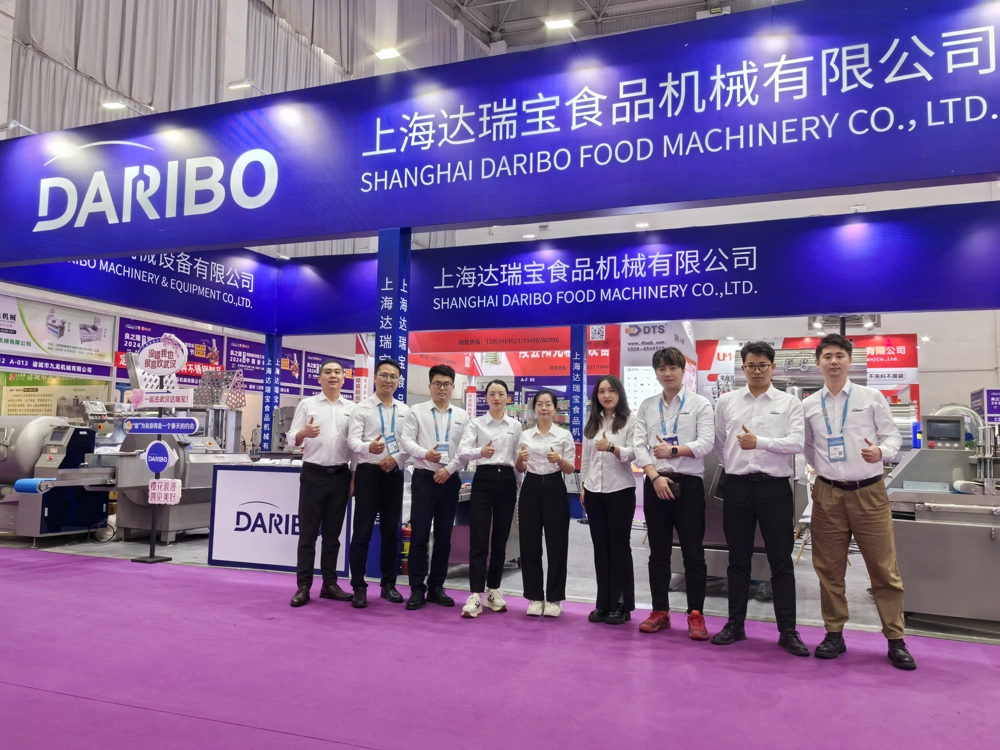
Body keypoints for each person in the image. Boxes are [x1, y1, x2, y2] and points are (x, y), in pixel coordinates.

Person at [802, 333, 915, 670]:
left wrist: (881, 452)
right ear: (818, 363)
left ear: (850, 361)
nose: (834, 361)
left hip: (869, 492)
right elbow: (807, 446)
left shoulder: (871, 397)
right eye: (827, 356)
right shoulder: (809, 404)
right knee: (828, 568)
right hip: (827, 493)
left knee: (883, 568)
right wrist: (823, 472)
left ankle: (895, 638)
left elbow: (893, 436)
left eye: (840, 355)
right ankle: (834, 633)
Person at [711, 341, 809, 656]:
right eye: (751, 366)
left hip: (775, 489)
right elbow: (720, 442)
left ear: (772, 367)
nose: (757, 371)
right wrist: (736, 464)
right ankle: (735, 625)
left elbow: (797, 443)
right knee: (737, 558)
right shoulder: (726, 402)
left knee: (781, 560)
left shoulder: (789, 403)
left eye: (763, 365)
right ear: (743, 368)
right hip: (737, 486)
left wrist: (760, 443)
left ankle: (788, 631)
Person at [633, 347, 714, 640]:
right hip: (656, 483)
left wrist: (674, 450)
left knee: (693, 552)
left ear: (683, 370)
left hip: (688, 485)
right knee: (658, 552)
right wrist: (654, 476)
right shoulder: (647, 405)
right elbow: (639, 444)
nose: (667, 374)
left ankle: (696, 614)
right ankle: (660, 611)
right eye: (661, 369)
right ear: (656, 373)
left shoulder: (700, 404)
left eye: (673, 368)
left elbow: (706, 443)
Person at [398, 364, 469, 610]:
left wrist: (449, 469)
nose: (442, 388)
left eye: (446, 384)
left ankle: (437, 587)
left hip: (450, 479)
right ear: (430, 386)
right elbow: (405, 440)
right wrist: (425, 453)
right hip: (424, 478)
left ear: (453, 387)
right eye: (437, 383)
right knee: (419, 535)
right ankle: (417, 589)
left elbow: (465, 449)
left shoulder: (461, 415)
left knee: (444, 537)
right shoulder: (416, 411)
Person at [286, 359, 355, 608]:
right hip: (313, 474)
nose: (333, 375)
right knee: (307, 534)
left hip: (341, 475)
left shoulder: (352, 408)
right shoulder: (308, 404)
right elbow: (291, 439)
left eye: (337, 372)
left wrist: (354, 477)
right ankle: (303, 586)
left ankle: (329, 584)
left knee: (333, 536)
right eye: (327, 372)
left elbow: (355, 447)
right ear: (319, 378)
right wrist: (303, 433)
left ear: (344, 378)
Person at [347, 358, 410, 609]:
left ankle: (388, 584)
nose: (388, 380)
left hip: (394, 474)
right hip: (369, 474)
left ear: (398, 381)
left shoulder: (405, 411)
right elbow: (352, 441)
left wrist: (396, 459)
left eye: (393, 376)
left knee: (390, 533)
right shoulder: (361, 409)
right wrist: (368, 447)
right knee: (362, 532)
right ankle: (358, 586)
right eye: (384, 375)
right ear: (374, 378)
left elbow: (409, 443)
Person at [456, 379, 522, 619]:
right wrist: (480, 452)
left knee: (501, 539)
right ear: (486, 398)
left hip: (507, 480)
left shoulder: (515, 425)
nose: (496, 398)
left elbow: (517, 458)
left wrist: (520, 488)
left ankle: (493, 590)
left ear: (507, 398)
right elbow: (462, 452)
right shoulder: (476, 424)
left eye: (501, 394)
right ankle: (475, 594)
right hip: (483, 478)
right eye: (492, 394)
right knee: (479, 538)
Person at [579, 376, 637, 626]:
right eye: (601, 391)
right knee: (600, 548)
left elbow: (635, 453)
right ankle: (603, 602)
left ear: (619, 393)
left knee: (619, 548)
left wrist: (612, 448)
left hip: (620, 490)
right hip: (594, 491)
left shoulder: (631, 420)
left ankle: (622, 604)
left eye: (611, 390)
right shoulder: (592, 422)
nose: (606, 395)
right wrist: (583, 486)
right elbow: (586, 459)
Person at [515, 390, 576, 618]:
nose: (543, 408)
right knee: (529, 543)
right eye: (539, 404)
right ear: (534, 409)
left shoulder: (564, 435)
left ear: (555, 408)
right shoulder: (525, 435)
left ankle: (554, 599)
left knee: (557, 544)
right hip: (530, 486)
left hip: (554, 486)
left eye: (548, 404)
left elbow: (570, 469)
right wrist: (520, 460)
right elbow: (519, 468)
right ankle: (534, 597)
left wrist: (559, 460)